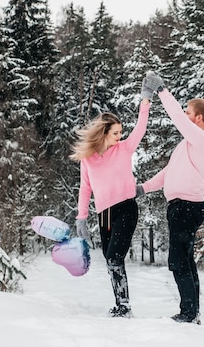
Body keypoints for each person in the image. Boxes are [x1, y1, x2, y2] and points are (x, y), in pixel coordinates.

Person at [136, 71, 204, 324]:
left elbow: (177, 119)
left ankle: (188, 313)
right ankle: (192, 311)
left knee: (179, 260)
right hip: (181, 207)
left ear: (198, 118)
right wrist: (143, 188)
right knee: (185, 260)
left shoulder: (201, 138)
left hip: (187, 207)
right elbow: (168, 173)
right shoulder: (186, 146)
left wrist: (162, 91)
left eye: (189, 113)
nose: (185, 116)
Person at [70, 85, 152, 318]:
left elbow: (140, 129)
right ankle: (120, 304)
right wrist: (81, 218)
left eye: (120, 132)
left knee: (115, 255)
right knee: (109, 258)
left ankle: (125, 307)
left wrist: (145, 102)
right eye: (115, 133)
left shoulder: (124, 149)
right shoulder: (88, 159)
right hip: (104, 213)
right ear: (104, 133)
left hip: (126, 207)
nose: (120, 136)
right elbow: (85, 188)